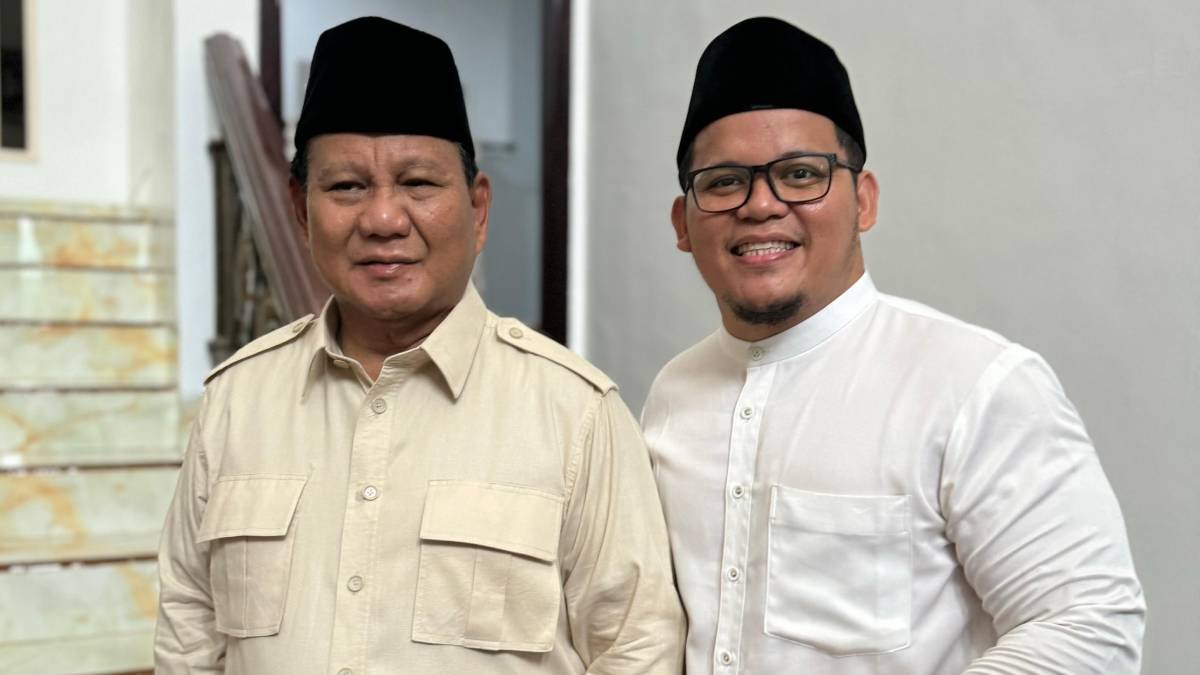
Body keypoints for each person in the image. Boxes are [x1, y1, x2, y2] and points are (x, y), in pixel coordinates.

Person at [155, 17, 684, 675]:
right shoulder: (236, 403)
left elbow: (637, 650)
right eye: (346, 186)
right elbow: (189, 636)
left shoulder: (575, 416)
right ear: (300, 211)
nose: (382, 219)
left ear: (478, 209)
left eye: (418, 184)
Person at [641, 16, 1144, 674]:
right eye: (724, 181)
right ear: (683, 223)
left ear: (864, 200)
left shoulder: (972, 385)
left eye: (800, 173)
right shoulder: (672, 395)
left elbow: (1089, 626)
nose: (760, 205)